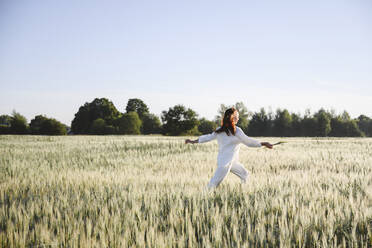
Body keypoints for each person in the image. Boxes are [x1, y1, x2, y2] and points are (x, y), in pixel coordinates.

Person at [185, 107, 273, 189]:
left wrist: (193, 141)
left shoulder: (221, 130)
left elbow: (207, 137)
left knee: (245, 174)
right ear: (232, 118)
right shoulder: (236, 131)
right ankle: (201, 197)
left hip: (231, 162)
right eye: (237, 117)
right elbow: (248, 142)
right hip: (225, 164)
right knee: (213, 184)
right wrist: (264, 143)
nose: (238, 119)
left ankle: (244, 193)